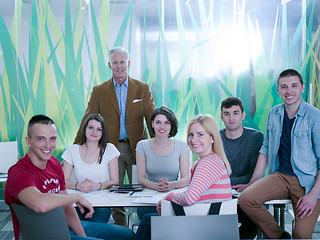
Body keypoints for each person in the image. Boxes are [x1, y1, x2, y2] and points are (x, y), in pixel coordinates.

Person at [4, 115, 135, 240]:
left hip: (65, 226)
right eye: (41, 139)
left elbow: (67, 207)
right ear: (28, 141)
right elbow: (40, 204)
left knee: (128, 235)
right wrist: (77, 196)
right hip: (45, 235)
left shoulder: (54, 164)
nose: (48, 145)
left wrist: (83, 237)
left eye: (52, 139)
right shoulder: (18, 172)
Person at [74, 46, 156, 226]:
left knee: (140, 190)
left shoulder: (142, 88)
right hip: (111, 149)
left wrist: (156, 147)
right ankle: (122, 230)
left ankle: (141, 228)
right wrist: (75, 146)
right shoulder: (99, 90)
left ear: (128, 63)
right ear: (109, 65)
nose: (119, 66)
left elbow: (151, 118)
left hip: (137, 148)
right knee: (114, 191)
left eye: (122, 62)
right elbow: (88, 119)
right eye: (114, 63)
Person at [237, 69, 320, 239]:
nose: (289, 91)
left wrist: (313, 195)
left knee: (301, 234)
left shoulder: (314, 116)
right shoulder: (274, 113)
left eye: (294, 86)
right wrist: (252, 183)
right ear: (278, 90)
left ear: (302, 88)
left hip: (308, 181)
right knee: (246, 199)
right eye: (284, 87)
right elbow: (266, 149)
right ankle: (280, 236)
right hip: (280, 176)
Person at [135, 114, 232, 240]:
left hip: (205, 227)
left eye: (200, 134)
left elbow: (190, 198)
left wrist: (169, 197)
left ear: (212, 138)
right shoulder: (213, 160)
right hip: (212, 224)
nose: (193, 139)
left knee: (148, 220)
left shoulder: (207, 163)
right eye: (191, 135)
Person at [220, 96, 264, 239]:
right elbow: (213, 175)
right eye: (226, 114)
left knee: (251, 225)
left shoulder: (256, 137)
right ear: (221, 117)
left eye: (235, 113)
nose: (231, 117)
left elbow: (255, 174)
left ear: (243, 115)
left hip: (247, 194)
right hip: (221, 196)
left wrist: (227, 182)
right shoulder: (214, 138)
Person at [62, 114, 119, 223]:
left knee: (93, 228)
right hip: (77, 202)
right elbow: (64, 181)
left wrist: (96, 186)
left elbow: (115, 181)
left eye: (99, 129)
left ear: (103, 133)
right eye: (91, 127)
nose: (94, 132)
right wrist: (79, 186)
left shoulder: (110, 149)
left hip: (102, 203)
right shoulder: (72, 150)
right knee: (77, 227)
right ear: (85, 129)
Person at [136, 106, 189, 218]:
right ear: (152, 124)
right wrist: (157, 186)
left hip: (172, 195)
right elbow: (141, 178)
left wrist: (170, 185)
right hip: (148, 198)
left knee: (172, 215)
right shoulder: (142, 145)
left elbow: (186, 178)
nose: (162, 127)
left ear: (171, 125)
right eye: (158, 122)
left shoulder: (182, 146)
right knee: (149, 217)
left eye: (166, 123)